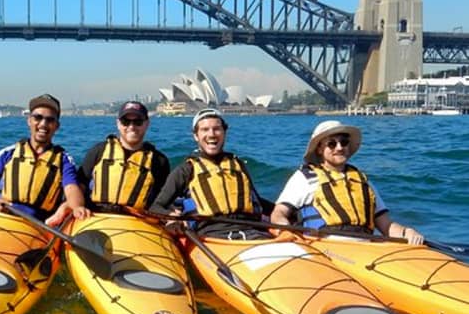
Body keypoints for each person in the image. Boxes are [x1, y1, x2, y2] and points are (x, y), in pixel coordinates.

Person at [271, 120, 424, 245]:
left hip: (365, 247)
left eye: (343, 142)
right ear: (319, 149)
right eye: (331, 144)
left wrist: (406, 232)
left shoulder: (363, 181)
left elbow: (385, 225)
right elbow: (278, 213)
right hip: (324, 245)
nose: (339, 148)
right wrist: (286, 230)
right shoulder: (305, 178)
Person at [150, 108, 275, 239]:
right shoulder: (186, 169)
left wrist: (284, 211)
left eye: (217, 129)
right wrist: (171, 217)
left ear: (224, 132)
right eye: (205, 129)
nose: (212, 134)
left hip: (252, 231)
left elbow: (256, 200)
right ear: (196, 135)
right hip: (211, 235)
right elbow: (156, 206)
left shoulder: (238, 164)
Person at [0, 94, 89, 222]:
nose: (43, 124)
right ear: (29, 121)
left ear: (56, 126)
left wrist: (77, 207)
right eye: (38, 117)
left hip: (38, 225)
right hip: (3, 217)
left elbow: (71, 190)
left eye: (50, 120)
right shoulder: (8, 154)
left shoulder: (63, 160)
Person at [47, 100, 169, 224]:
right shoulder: (99, 151)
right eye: (126, 122)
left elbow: (162, 200)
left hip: (137, 221)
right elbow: (80, 187)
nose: (131, 127)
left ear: (147, 124)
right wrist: (67, 207)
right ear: (118, 124)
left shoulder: (159, 161)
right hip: (96, 217)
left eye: (138, 122)